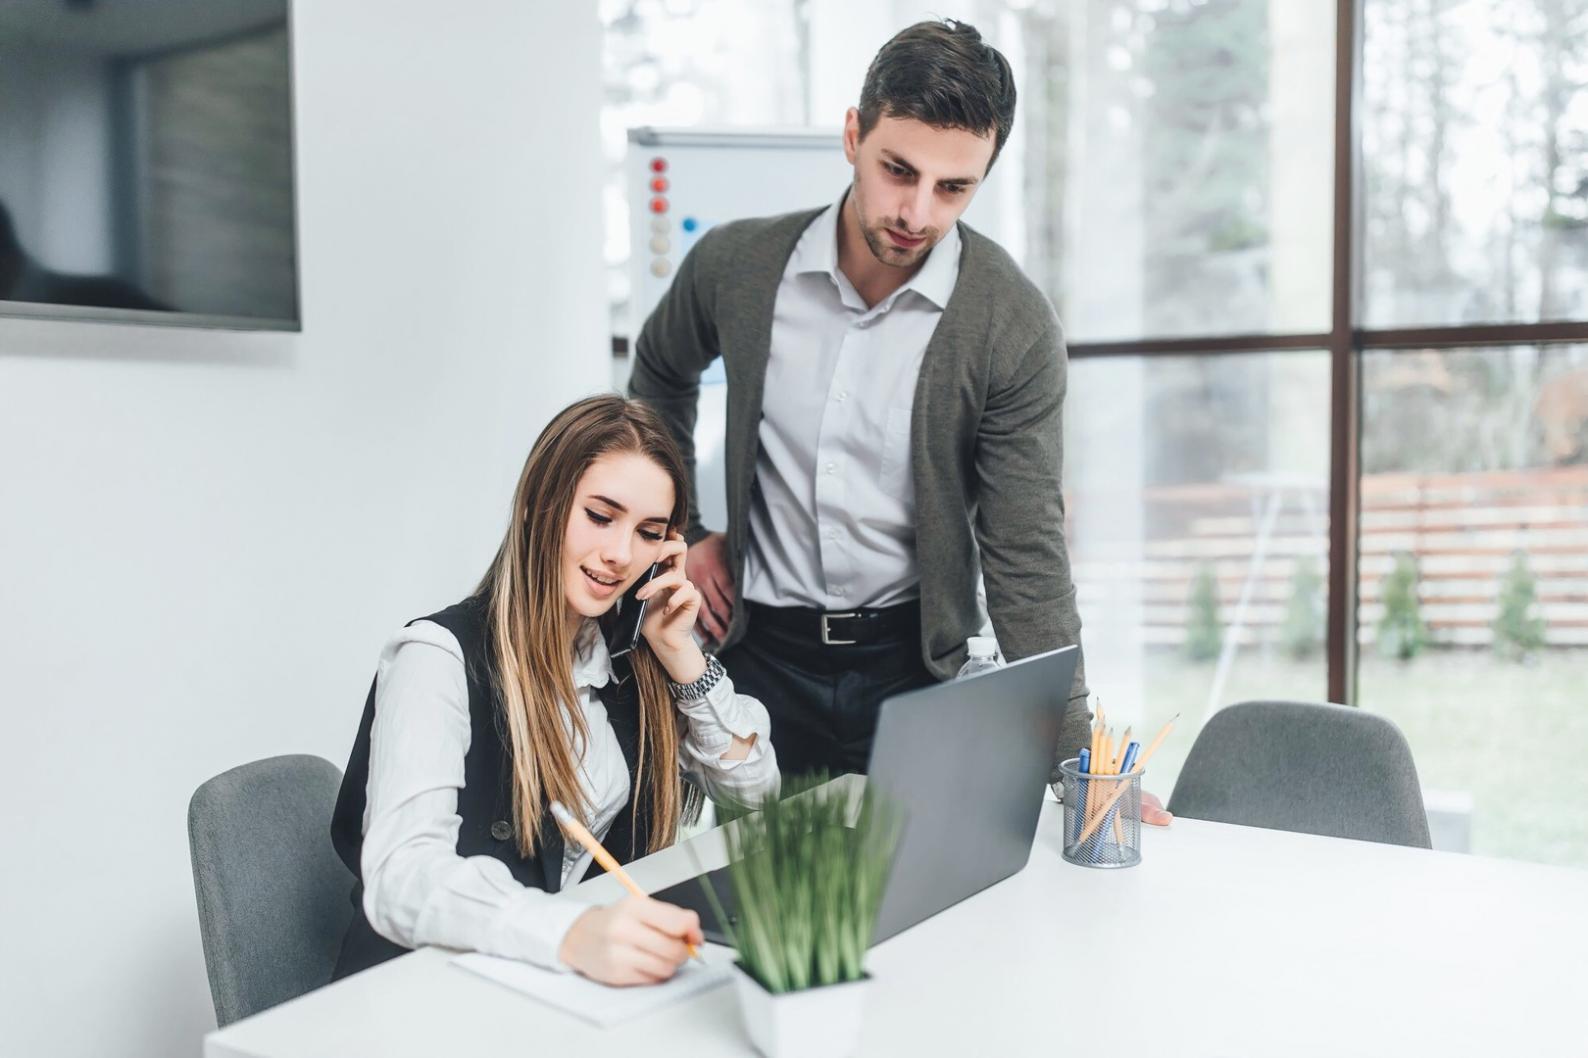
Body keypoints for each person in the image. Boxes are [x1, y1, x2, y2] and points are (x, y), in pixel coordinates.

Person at [631, 19, 1167, 822]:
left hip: (914, 672)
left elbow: (1026, 553)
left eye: (954, 188)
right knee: (772, 913)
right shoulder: (737, 268)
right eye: (898, 170)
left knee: (923, 915)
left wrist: (1078, 759)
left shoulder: (1009, 323)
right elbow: (659, 374)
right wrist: (683, 530)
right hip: (757, 657)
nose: (917, 211)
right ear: (854, 134)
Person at [329, 395, 781, 985]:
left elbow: (756, 793)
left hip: (550, 990)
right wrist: (568, 933)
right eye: (599, 516)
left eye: (648, 533)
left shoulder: (629, 662)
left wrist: (682, 654)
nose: (620, 555)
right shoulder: (436, 658)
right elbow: (402, 876)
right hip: (428, 994)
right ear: (539, 505)